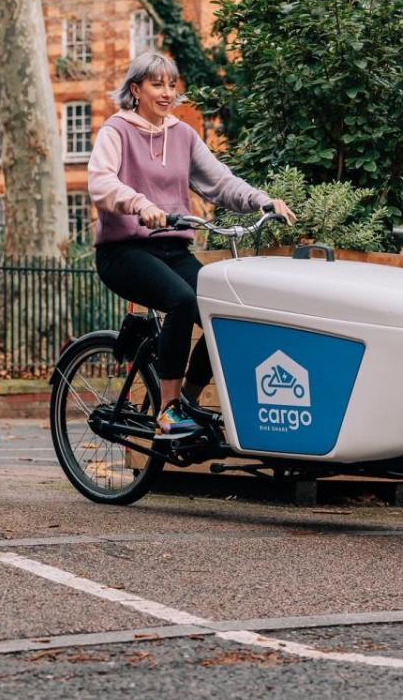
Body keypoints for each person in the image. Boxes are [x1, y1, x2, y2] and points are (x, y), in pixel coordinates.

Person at [88, 52, 296, 438]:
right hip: (125, 251)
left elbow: (221, 182)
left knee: (224, 316)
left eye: (172, 84)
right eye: (156, 84)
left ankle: (188, 401)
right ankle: (166, 413)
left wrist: (261, 201)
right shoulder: (116, 131)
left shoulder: (183, 135)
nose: (167, 92)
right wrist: (141, 205)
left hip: (172, 249)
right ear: (136, 90)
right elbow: (100, 183)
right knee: (182, 301)